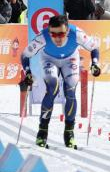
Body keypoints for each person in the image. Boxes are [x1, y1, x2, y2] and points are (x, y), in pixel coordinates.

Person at [18, 14, 101, 148]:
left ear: (67, 31)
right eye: (53, 34)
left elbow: (94, 47)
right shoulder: (43, 36)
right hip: (49, 59)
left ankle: (69, 132)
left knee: (70, 90)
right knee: (53, 87)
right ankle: (42, 131)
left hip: (70, 59)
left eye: (61, 34)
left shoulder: (76, 33)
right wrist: (27, 72)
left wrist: (95, 63)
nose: (57, 38)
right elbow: (25, 55)